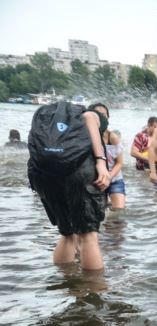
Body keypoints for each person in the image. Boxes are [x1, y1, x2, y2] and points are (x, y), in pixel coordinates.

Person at [28, 103, 112, 270]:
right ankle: (92, 285)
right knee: (88, 235)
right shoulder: (90, 115)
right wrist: (101, 163)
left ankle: (65, 279)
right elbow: (89, 117)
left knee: (67, 233)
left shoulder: (48, 118)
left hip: (43, 174)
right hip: (79, 174)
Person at [104, 126, 125, 210]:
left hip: (114, 179)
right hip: (96, 180)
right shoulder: (86, 135)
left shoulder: (112, 138)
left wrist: (109, 176)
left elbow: (119, 163)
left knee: (118, 210)